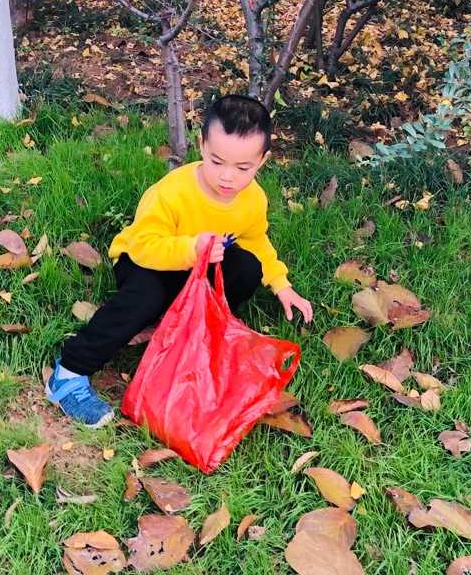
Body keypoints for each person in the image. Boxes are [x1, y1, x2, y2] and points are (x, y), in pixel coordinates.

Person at [46, 95, 314, 428]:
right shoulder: (171, 193)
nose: (227, 177)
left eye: (242, 168)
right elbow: (143, 246)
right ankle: (69, 373)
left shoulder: (252, 198)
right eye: (217, 161)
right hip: (147, 260)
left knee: (247, 269)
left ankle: (187, 326)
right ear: (201, 145)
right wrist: (191, 249)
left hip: (197, 266)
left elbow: (255, 242)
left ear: (263, 160)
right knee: (148, 296)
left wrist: (281, 284)